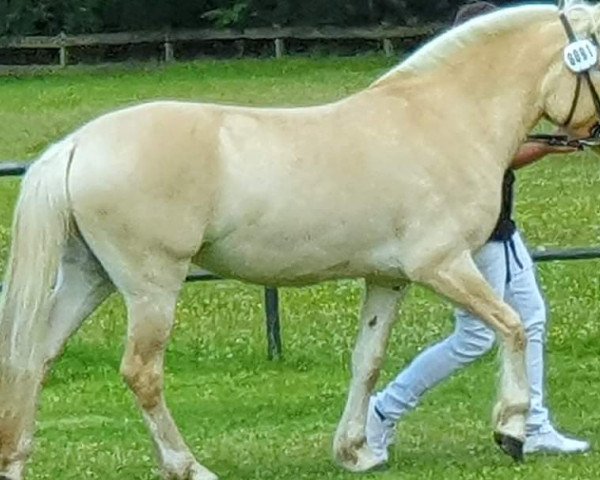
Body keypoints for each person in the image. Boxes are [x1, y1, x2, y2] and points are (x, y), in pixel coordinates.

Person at [366, 1, 591, 464]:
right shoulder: (466, 103)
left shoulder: (490, 95)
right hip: (475, 233)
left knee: (531, 318)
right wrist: (552, 149)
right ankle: (383, 409)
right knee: (475, 336)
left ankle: (534, 421)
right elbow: (500, 157)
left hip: (502, 229)